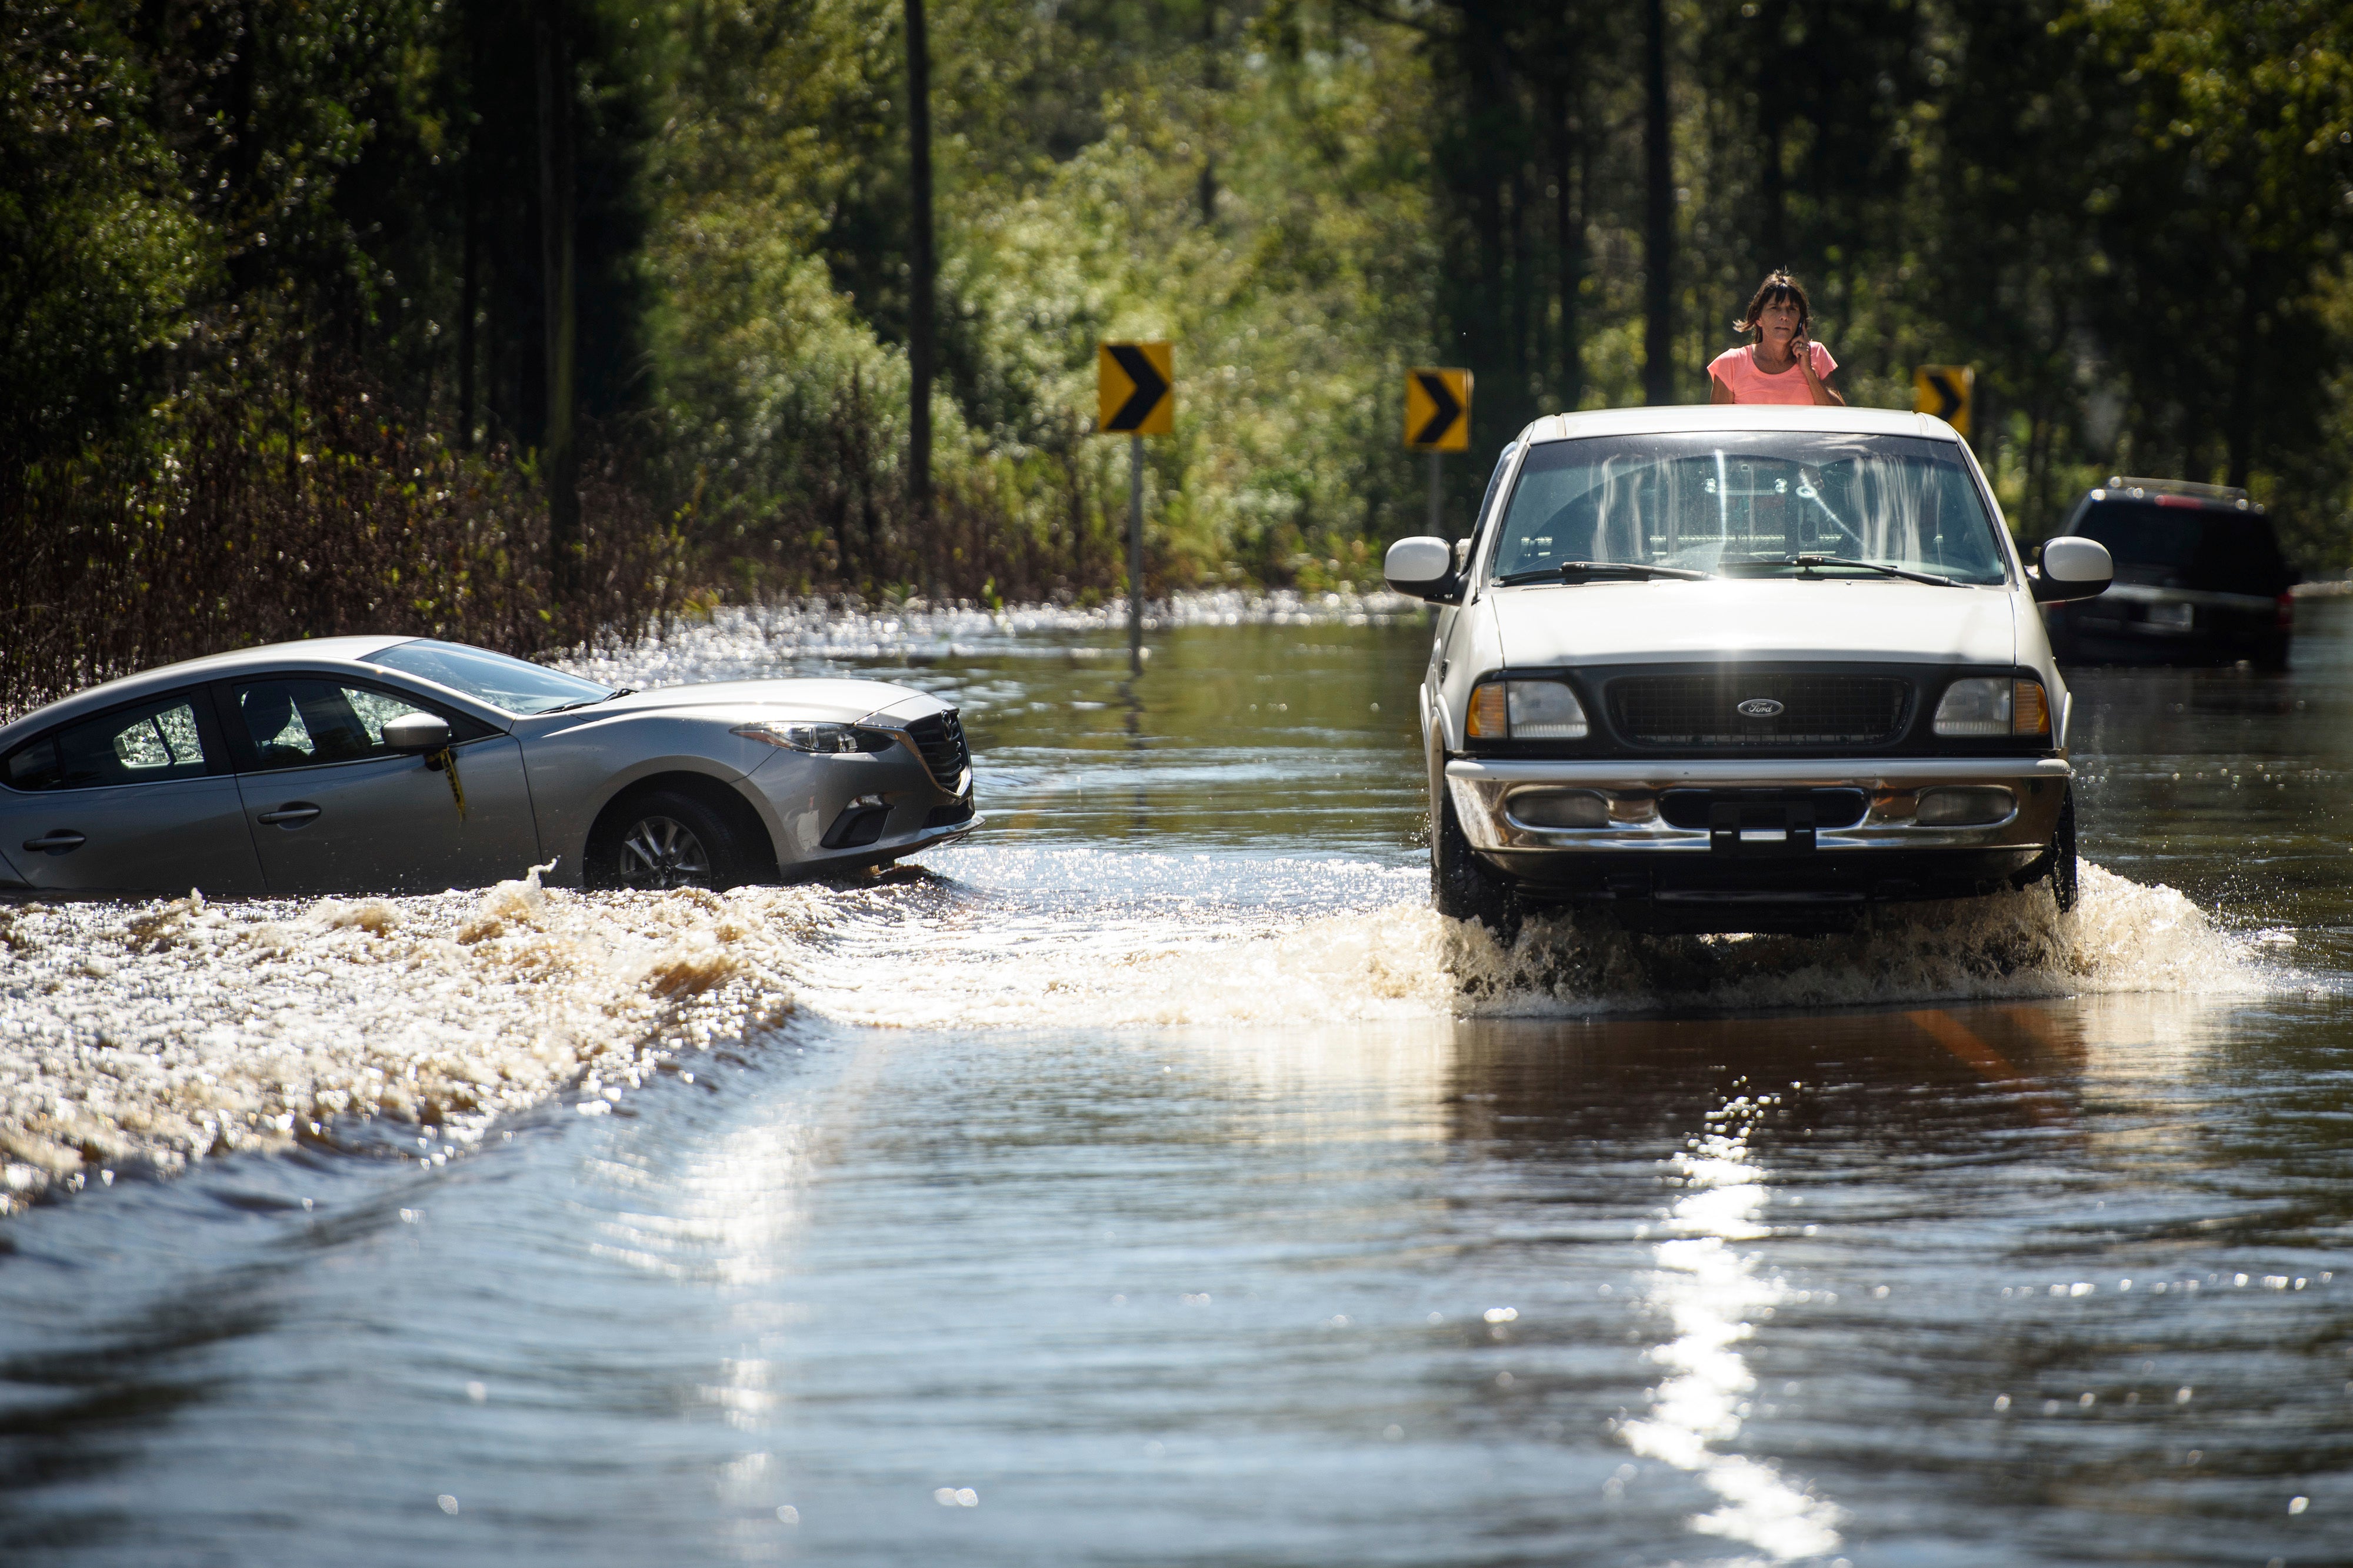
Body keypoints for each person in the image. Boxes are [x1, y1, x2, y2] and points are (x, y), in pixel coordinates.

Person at [1709, 271, 1844, 406]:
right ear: (1758, 318)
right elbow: (1717, 425)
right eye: (1775, 308)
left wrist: (1810, 372)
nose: (1785, 316)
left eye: (1792, 309)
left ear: (1800, 320)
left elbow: (1841, 419)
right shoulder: (1730, 364)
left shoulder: (1816, 354)